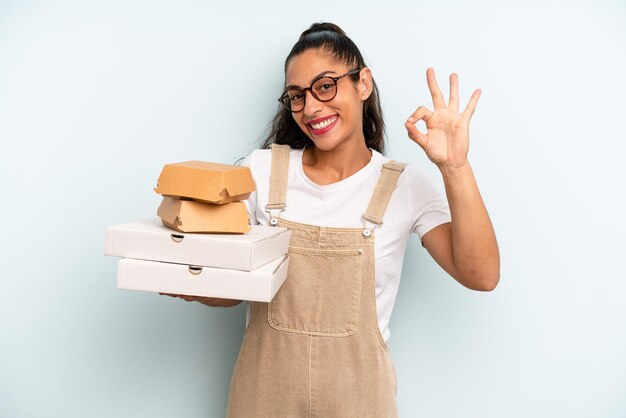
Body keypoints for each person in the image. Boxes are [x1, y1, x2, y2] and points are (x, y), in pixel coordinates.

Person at [166, 22, 500, 417]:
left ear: (363, 84)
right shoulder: (261, 170)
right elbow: (234, 288)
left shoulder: (404, 186)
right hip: (263, 400)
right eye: (296, 96)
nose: (310, 107)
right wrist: (192, 282)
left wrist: (455, 166)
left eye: (325, 86)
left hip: (360, 402)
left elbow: (481, 275)